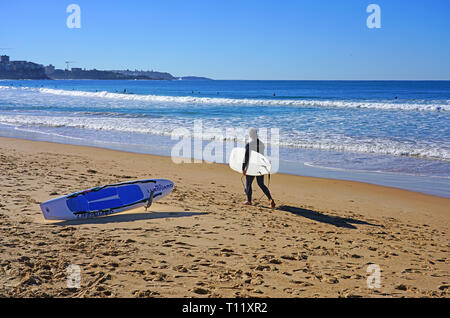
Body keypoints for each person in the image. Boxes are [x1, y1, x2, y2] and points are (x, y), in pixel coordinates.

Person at [242, 128, 276, 208]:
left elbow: (246, 158)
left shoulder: (249, 145)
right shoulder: (261, 144)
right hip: (260, 166)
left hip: (252, 166)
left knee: (248, 183)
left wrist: (243, 168)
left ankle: (249, 201)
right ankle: (270, 199)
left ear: (250, 135)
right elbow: (261, 156)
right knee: (261, 184)